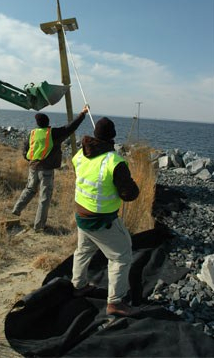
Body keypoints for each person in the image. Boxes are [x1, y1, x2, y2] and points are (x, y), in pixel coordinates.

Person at [71, 117, 140, 317]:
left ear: (95, 135)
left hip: (82, 214)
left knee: (83, 250)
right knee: (121, 256)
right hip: (101, 220)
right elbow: (129, 194)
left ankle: (78, 285)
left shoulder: (80, 154)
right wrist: (131, 184)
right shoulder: (115, 162)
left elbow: (83, 173)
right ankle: (115, 302)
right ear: (112, 136)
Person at [12, 106, 89, 232]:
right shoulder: (52, 133)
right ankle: (39, 226)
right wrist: (83, 113)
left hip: (33, 167)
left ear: (37, 123)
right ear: (48, 123)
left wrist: (30, 160)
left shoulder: (32, 133)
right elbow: (71, 127)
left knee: (29, 189)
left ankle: (15, 211)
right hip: (46, 170)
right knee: (44, 197)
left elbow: (25, 150)